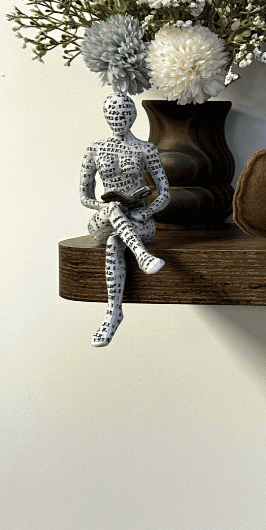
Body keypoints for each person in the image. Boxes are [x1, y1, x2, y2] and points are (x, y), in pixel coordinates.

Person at [79, 94, 170, 346]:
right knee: (113, 208)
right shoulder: (94, 149)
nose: (117, 119)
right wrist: (106, 206)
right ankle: (142, 255)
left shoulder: (146, 149)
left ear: (133, 116)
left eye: (123, 114)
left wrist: (146, 212)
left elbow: (164, 192)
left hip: (139, 220)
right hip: (103, 219)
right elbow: (84, 197)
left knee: (115, 242)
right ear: (105, 116)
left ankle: (113, 314)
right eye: (112, 114)